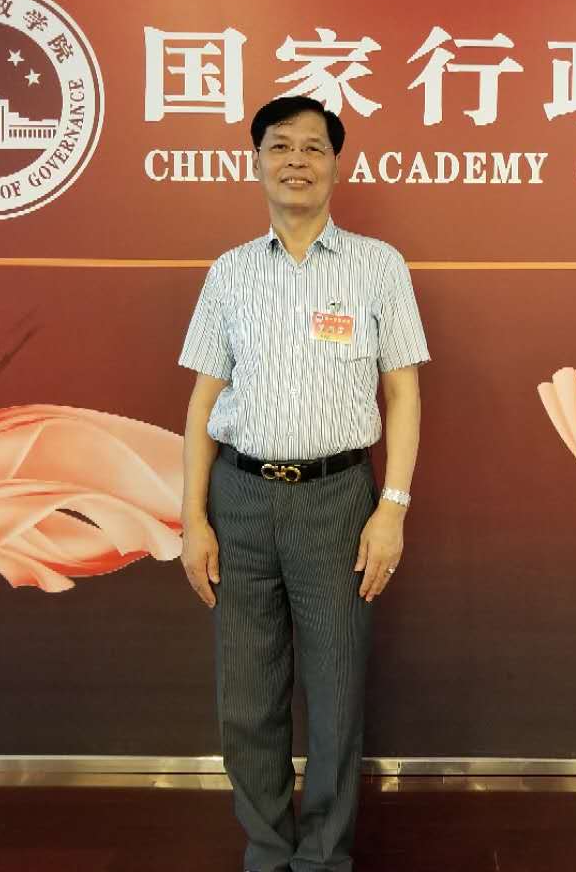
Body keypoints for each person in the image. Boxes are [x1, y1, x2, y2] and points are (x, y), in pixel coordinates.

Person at [178, 94, 429, 872]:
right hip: (240, 500)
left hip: (338, 501)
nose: (296, 160)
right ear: (256, 162)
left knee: (336, 695)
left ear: (335, 165)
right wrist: (193, 519)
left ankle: (323, 857)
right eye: (280, 146)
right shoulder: (229, 273)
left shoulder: (377, 266)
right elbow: (203, 403)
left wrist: (391, 509)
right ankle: (267, 850)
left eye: (313, 147)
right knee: (246, 699)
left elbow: (403, 393)